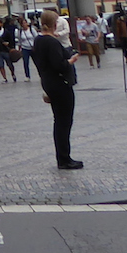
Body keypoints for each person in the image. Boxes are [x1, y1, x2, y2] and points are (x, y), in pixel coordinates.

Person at [32, 10, 82, 168]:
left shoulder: (38, 40)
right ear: (54, 24)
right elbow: (59, 65)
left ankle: (63, 156)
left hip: (48, 82)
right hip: (60, 84)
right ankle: (64, 158)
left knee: (59, 121)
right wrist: (71, 61)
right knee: (64, 122)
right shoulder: (52, 42)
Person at [1, 17, 22, 82]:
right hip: (9, 46)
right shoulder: (12, 27)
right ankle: (10, 74)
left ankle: (8, 76)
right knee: (8, 63)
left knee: (6, 63)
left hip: (6, 46)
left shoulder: (5, 28)